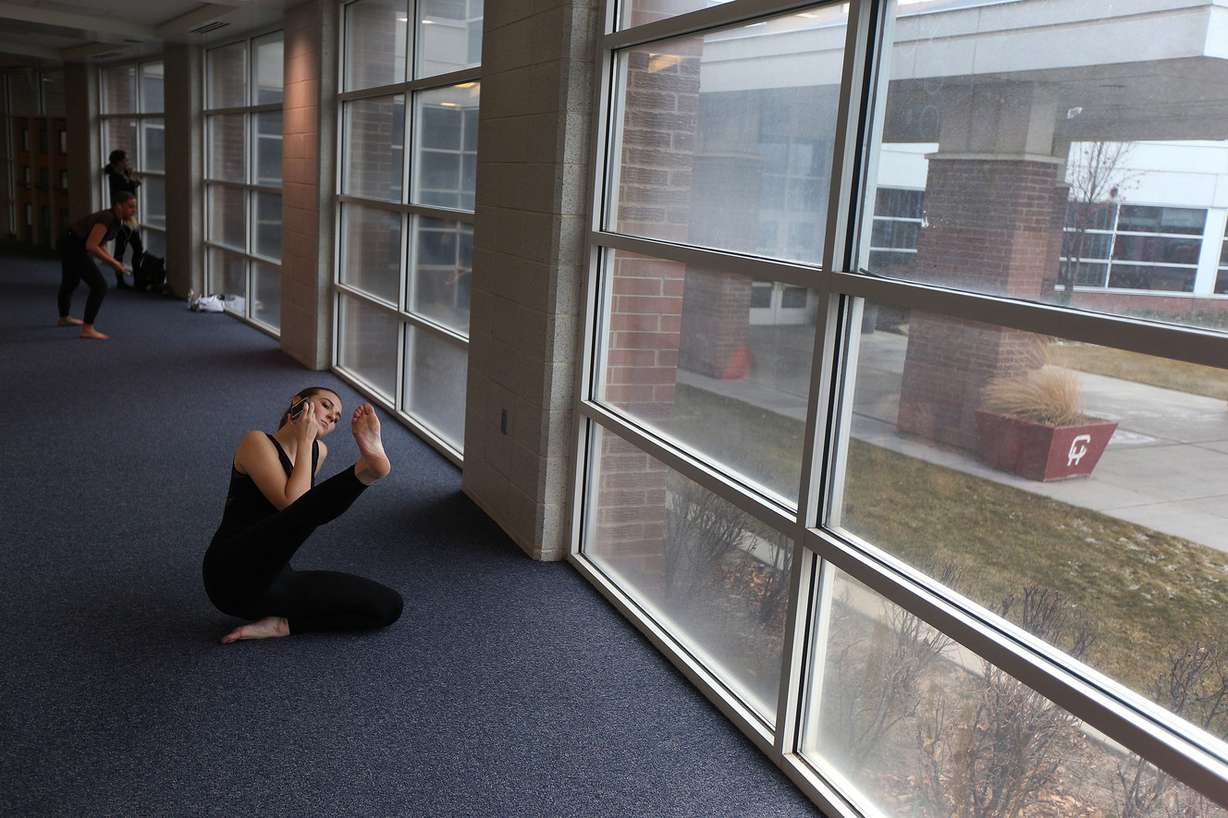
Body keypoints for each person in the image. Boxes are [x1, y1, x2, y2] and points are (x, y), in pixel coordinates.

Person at [202, 387, 402, 644]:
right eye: (326, 405)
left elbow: (303, 511)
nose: (331, 417)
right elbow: (294, 506)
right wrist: (305, 441)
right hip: (229, 572)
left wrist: (293, 624)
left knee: (389, 605)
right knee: (302, 513)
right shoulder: (256, 441)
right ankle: (366, 473)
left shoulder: (319, 451)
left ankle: (283, 624)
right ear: (298, 402)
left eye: (337, 418)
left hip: (270, 584)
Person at [57, 191, 137, 341]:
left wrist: (114, 262)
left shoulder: (116, 221)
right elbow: (91, 246)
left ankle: (64, 318)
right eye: (130, 207)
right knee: (100, 286)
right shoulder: (107, 218)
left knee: (71, 281)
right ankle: (87, 329)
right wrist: (113, 263)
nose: (134, 210)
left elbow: (100, 244)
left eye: (135, 207)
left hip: (73, 244)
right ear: (119, 206)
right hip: (72, 245)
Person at [104, 149, 143, 288]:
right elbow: (132, 186)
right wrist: (131, 176)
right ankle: (131, 280)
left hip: (125, 216)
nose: (127, 162)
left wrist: (130, 176)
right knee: (134, 248)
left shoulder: (120, 175)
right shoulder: (117, 177)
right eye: (125, 160)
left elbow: (134, 184)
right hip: (123, 218)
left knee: (124, 248)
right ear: (119, 162)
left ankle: (124, 279)